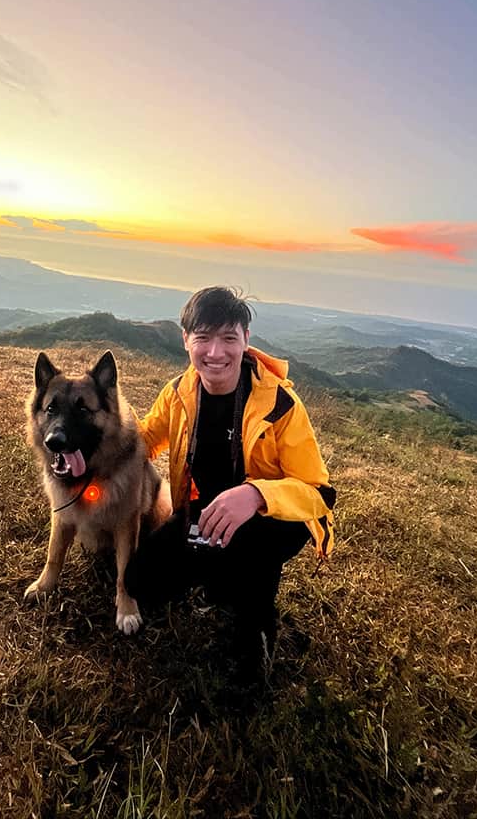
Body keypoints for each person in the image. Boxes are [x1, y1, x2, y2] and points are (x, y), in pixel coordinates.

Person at [125, 285, 336, 671]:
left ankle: (257, 622)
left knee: (246, 591)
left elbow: (317, 492)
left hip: (270, 522)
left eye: (228, 338)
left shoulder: (280, 405)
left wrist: (255, 495)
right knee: (141, 582)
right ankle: (216, 575)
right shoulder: (179, 393)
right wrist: (92, 440)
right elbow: (143, 442)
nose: (215, 352)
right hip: (204, 514)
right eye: (203, 338)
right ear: (186, 340)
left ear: (246, 340)